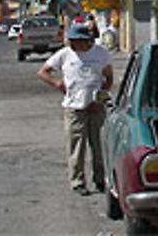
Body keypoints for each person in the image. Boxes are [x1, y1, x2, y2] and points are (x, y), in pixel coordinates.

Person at [38, 21, 114, 196]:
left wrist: (100, 100)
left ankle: (100, 179)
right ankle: (78, 181)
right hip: (74, 108)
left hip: (96, 107)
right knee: (76, 148)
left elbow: (108, 79)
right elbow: (43, 72)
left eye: (78, 40)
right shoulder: (65, 55)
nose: (74, 44)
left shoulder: (100, 54)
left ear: (86, 40)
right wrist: (58, 83)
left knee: (99, 146)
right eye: (72, 40)